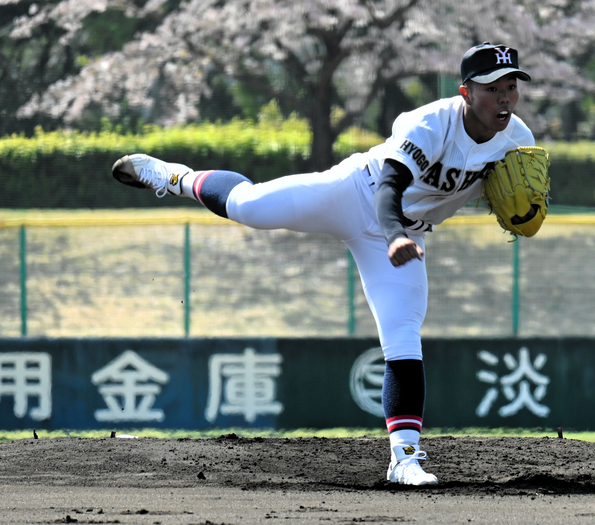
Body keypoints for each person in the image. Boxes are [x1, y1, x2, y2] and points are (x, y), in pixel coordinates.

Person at [112, 42, 538, 486]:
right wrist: (394, 235)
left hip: (406, 232)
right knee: (248, 206)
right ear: (466, 92)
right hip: (357, 192)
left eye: (511, 86)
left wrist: (519, 213)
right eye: (493, 88)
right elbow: (390, 186)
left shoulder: (518, 139)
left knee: (403, 334)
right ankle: (177, 177)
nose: (505, 97)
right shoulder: (431, 122)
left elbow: (516, 197)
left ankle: (405, 459)